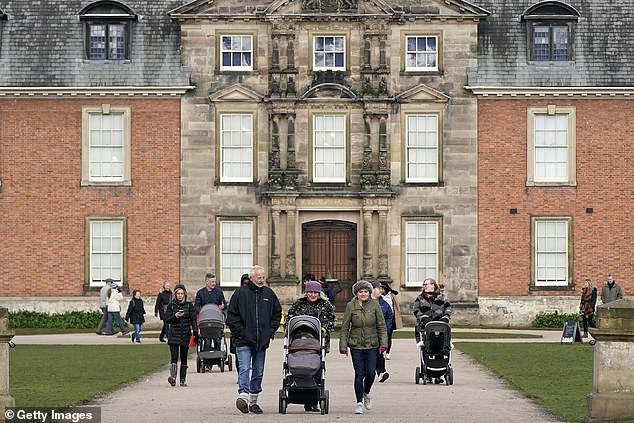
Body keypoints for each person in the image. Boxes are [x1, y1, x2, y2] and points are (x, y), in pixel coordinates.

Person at [227, 265, 282, 414]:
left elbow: (277, 314)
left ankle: (253, 402)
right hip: (243, 340)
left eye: (263, 277)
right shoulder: (239, 294)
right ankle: (243, 396)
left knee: (258, 372)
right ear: (251, 278)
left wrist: (270, 332)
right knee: (244, 368)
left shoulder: (269, 294)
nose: (262, 280)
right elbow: (231, 316)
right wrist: (240, 333)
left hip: (261, 341)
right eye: (259, 277)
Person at [286, 280, 336, 412]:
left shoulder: (326, 305)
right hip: (299, 341)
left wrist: (324, 328)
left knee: (317, 368)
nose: (313, 295)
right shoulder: (298, 304)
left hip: (318, 342)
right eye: (310, 292)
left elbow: (331, 320)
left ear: (319, 293)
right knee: (300, 365)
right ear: (306, 292)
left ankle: (313, 400)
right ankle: (301, 393)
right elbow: (290, 319)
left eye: (315, 292)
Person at [339, 280, 387, 415]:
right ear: (356, 293)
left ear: (369, 293)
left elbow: (381, 326)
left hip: (372, 344)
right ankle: (359, 402)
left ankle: (366, 393)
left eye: (366, 291)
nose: (363, 294)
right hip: (356, 344)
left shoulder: (375, 305)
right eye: (361, 292)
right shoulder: (350, 306)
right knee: (359, 374)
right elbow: (344, 327)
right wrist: (343, 346)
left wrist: (384, 344)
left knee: (371, 373)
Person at [164, 283, 198, 387]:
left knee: (184, 357)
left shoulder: (189, 305)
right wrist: (175, 316)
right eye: (178, 293)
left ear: (185, 294)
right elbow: (167, 320)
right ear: (175, 294)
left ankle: (183, 379)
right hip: (174, 333)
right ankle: (173, 377)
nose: (180, 295)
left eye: (182, 293)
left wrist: (196, 333)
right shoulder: (171, 305)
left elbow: (193, 320)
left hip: (185, 334)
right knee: (174, 357)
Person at [194, 272, 226, 350]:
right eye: (212, 282)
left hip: (216, 320)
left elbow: (224, 304)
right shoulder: (200, 293)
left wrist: (222, 306)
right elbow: (196, 307)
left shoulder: (218, 292)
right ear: (207, 282)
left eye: (215, 282)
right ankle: (206, 357)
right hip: (205, 320)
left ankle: (218, 356)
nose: (214, 284)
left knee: (217, 340)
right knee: (207, 341)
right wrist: (201, 312)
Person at [371, 281, 393, 384]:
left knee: (379, 353)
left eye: (381, 288)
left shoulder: (384, 304)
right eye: (378, 288)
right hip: (368, 333)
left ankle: (381, 372)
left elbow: (389, 316)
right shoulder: (365, 302)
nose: (381, 290)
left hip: (380, 333)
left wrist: (386, 330)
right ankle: (368, 372)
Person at [378, 281, 402, 360]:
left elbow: (396, 307)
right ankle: (380, 352)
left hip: (390, 318)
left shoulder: (392, 296)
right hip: (380, 317)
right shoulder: (378, 296)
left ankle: (387, 352)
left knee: (388, 335)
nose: (380, 290)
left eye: (381, 288)